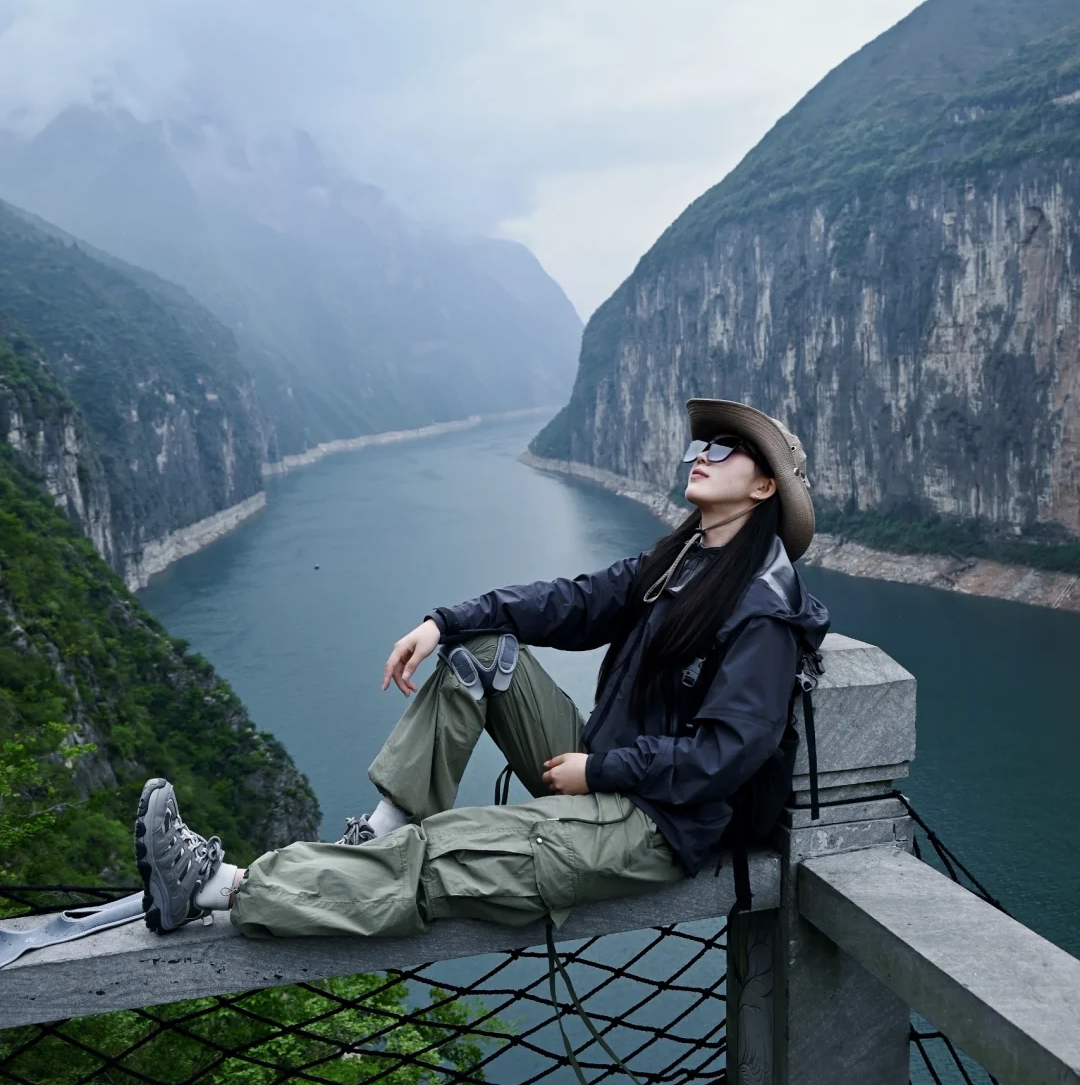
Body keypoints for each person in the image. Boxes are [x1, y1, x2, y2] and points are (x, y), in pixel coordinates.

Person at [134, 398, 829, 939]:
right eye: (698, 445)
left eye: (722, 449)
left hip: (656, 825)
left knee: (449, 852)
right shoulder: (682, 561)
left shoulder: (762, 615)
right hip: (610, 770)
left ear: (765, 486)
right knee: (483, 653)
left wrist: (601, 772)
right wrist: (444, 622)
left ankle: (218, 888)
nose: (697, 456)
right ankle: (384, 827)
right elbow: (574, 602)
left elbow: (726, 755)